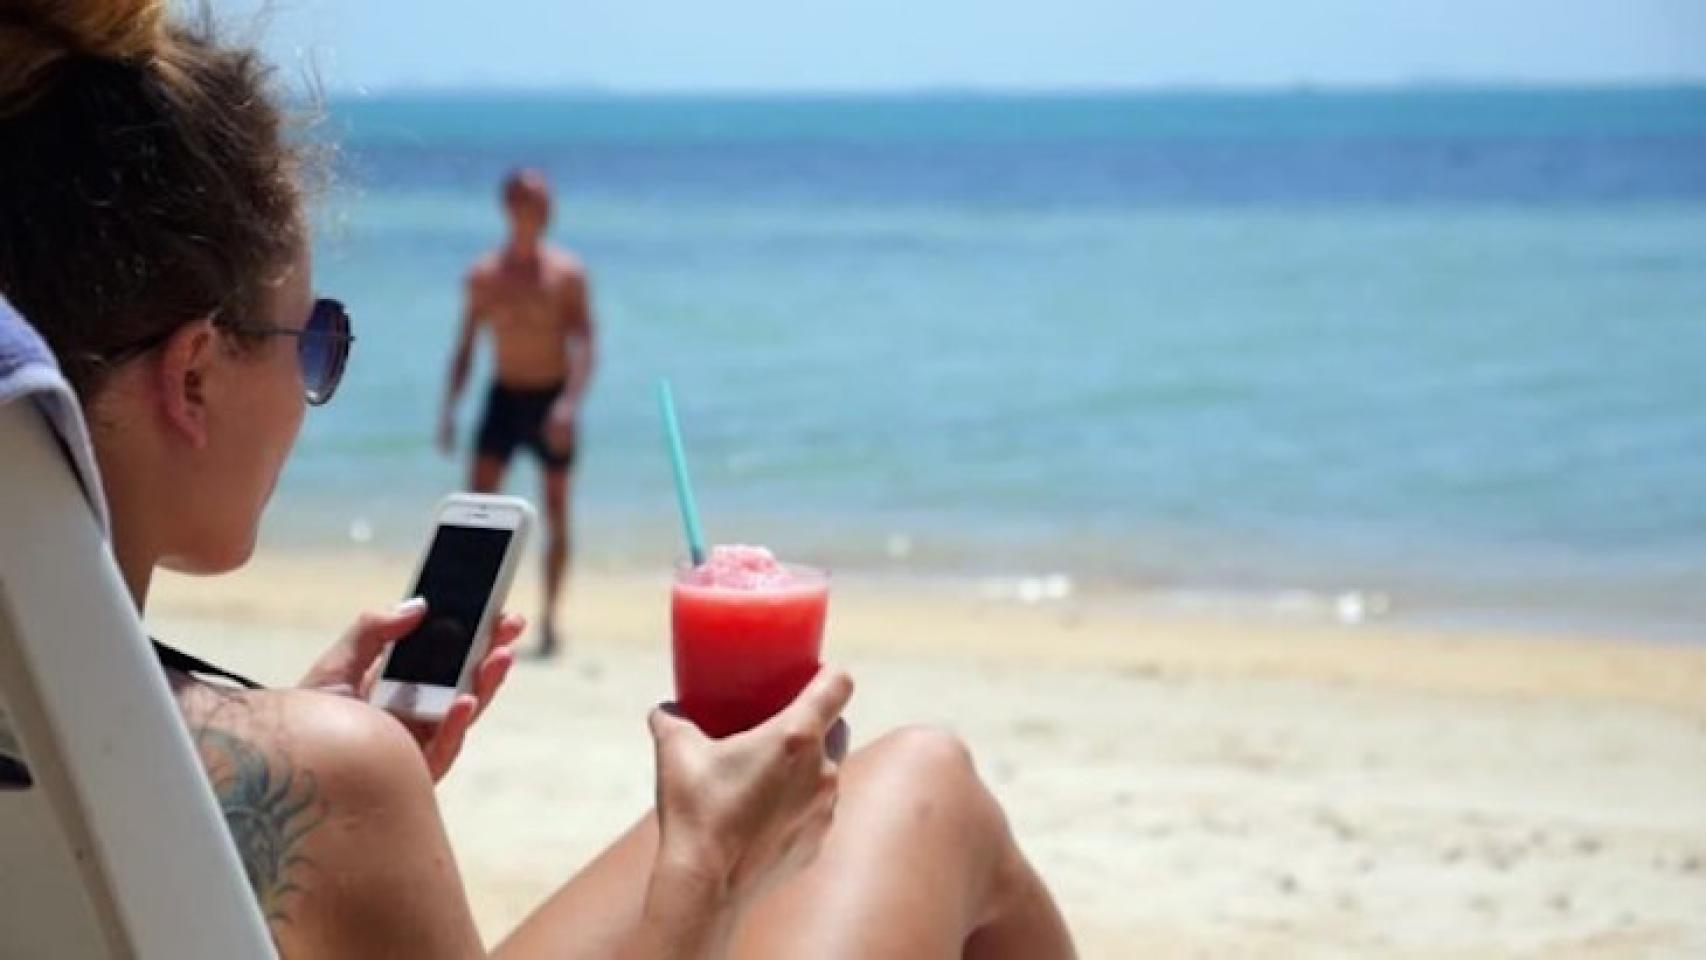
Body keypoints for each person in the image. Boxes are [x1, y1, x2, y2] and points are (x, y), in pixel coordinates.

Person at [0, 3, 1077, 959]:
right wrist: (707, 875)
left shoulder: (220, 754)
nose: (312, 378)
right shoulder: (325, 777)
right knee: (926, 784)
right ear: (191, 376)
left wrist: (315, 765)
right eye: (314, 341)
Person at [440, 169, 593, 657]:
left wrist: (569, 404)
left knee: (556, 511)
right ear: (509, 206)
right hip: (503, 398)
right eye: (529, 200)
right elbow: (465, 348)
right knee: (478, 512)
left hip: (551, 402)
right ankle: (471, 615)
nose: (539, 209)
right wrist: (449, 410)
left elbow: (586, 342)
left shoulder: (567, 274)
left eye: (544, 201)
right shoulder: (484, 276)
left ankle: (550, 619)